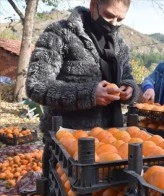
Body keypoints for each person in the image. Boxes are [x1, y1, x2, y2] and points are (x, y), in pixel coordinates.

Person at [26, 0, 139, 133]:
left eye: (120, 19)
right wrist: (89, 94)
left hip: (110, 140)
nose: (113, 24)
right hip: (67, 140)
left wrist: (130, 88)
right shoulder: (59, 33)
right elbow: (36, 86)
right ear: (93, 6)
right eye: (108, 15)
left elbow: (127, 76)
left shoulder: (120, 45)